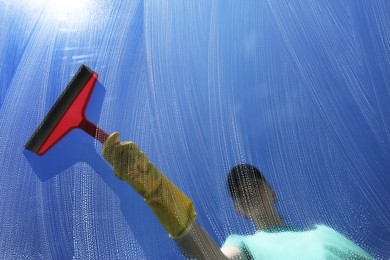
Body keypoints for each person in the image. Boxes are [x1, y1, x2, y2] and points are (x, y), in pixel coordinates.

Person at [102, 133, 373, 259]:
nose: (248, 191)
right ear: (238, 210)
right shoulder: (242, 244)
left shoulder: (322, 233)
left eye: (254, 183)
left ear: (272, 191)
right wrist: (157, 190)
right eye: (239, 193)